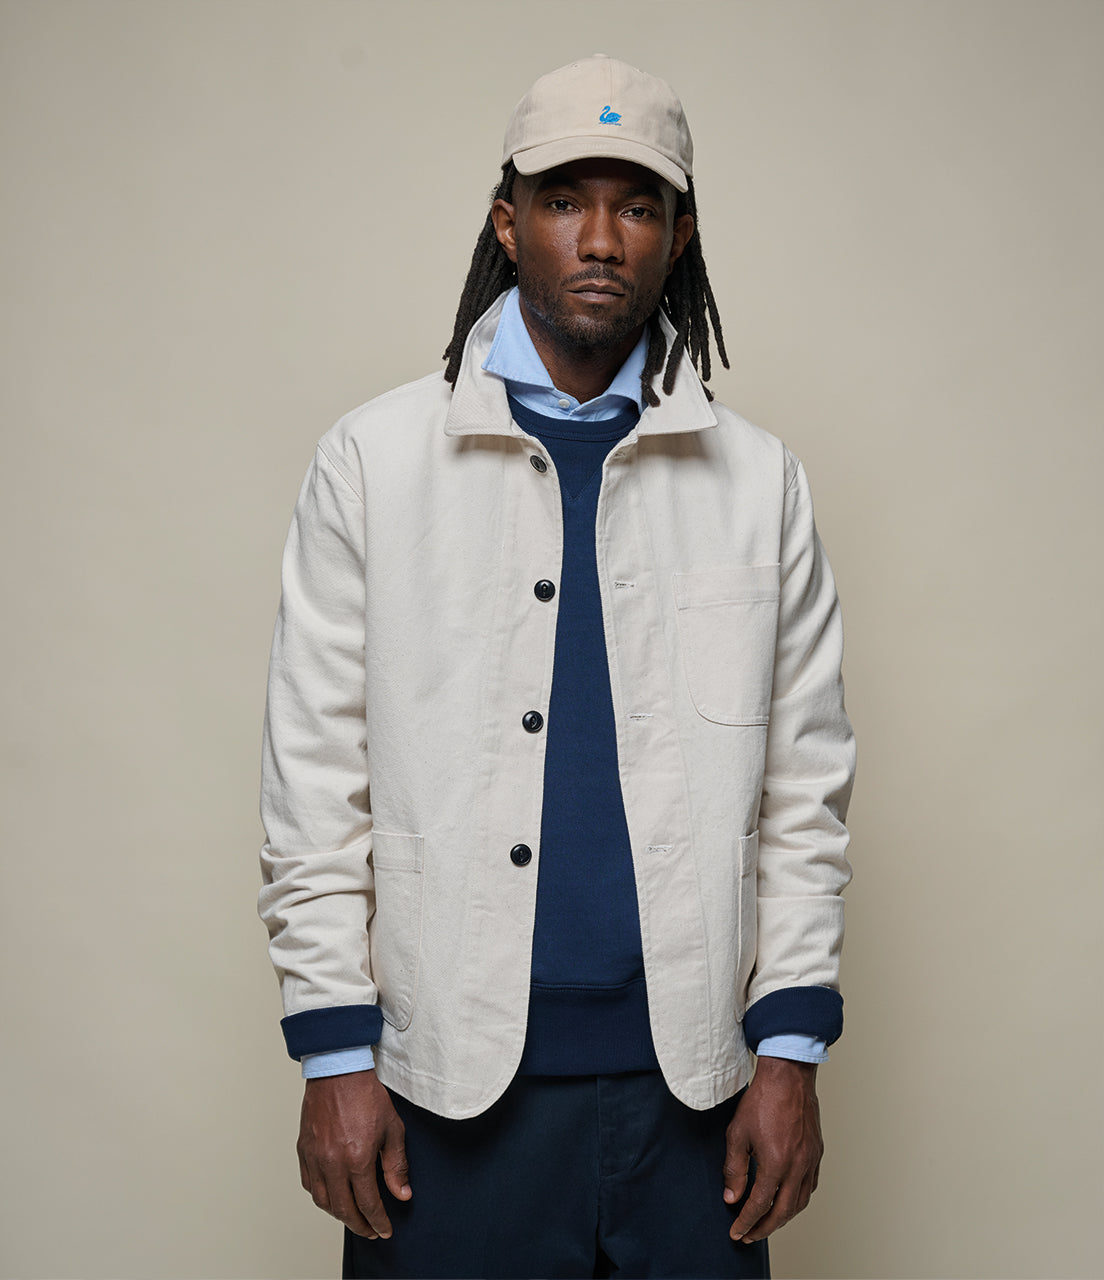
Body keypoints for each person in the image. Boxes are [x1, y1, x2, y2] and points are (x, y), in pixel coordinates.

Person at [259, 54, 855, 1280]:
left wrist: (789, 1051)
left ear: (679, 237)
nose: (599, 238)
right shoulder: (373, 464)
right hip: (448, 1097)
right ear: (506, 220)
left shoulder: (759, 484)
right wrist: (333, 1054)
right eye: (562, 199)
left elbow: (806, 791)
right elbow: (315, 780)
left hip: (698, 1097)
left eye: (636, 206)